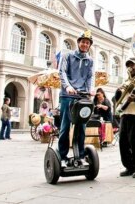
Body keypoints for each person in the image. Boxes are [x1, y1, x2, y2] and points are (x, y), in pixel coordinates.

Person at [58, 30, 94, 167]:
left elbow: (90, 77)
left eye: (87, 43)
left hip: (82, 96)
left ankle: (80, 156)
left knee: (81, 127)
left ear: (89, 45)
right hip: (68, 95)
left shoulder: (90, 60)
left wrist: (91, 89)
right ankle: (62, 157)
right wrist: (67, 86)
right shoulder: (67, 56)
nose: (85, 44)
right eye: (83, 41)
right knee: (65, 127)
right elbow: (62, 72)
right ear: (78, 42)